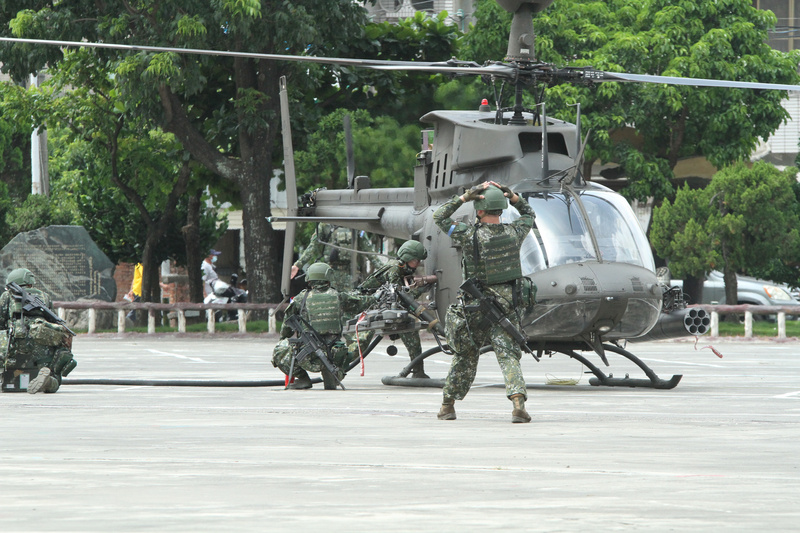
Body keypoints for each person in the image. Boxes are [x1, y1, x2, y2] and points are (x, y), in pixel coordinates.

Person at [433, 181, 536, 423]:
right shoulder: (516, 232)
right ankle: (518, 403)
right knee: (508, 354)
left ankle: (448, 406)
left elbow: (439, 217)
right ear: (501, 209)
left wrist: (464, 197)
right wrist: (514, 198)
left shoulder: (468, 235)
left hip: (474, 305)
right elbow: (529, 214)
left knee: (465, 355)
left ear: (479, 210)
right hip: (505, 306)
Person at [273, 262, 375, 390]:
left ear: (309, 279)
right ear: (328, 278)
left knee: (279, 349)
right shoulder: (338, 296)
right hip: (334, 354)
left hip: (308, 356)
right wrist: (376, 295)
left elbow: (286, 327)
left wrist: (284, 339)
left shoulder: (301, 298)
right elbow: (363, 303)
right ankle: (336, 371)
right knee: (364, 333)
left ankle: (303, 379)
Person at [358, 240, 431, 378]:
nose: (418, 263)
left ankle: (418, 371)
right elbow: (399, 296)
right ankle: (336, 369)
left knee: (411, 331)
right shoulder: (395, 269)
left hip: (377, 305)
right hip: (367, 306)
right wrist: (419, 290)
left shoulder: (401, 268)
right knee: (359, 345)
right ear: (408, 257)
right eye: (416, 260)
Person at [0, 268, 77, 394]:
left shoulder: (7, 296)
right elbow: (52, 321)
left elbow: (1, 322)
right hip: (42, 346)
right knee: (55, 378)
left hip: (15, 346)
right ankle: (48, 381)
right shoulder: (44, 296)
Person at [290, 223, 384, 290]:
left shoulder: (356, 226)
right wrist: (298, 265)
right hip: (330, 274)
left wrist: (385, 270)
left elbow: (370, 252)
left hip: (350, 274)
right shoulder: (325, 225)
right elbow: (312, 247)